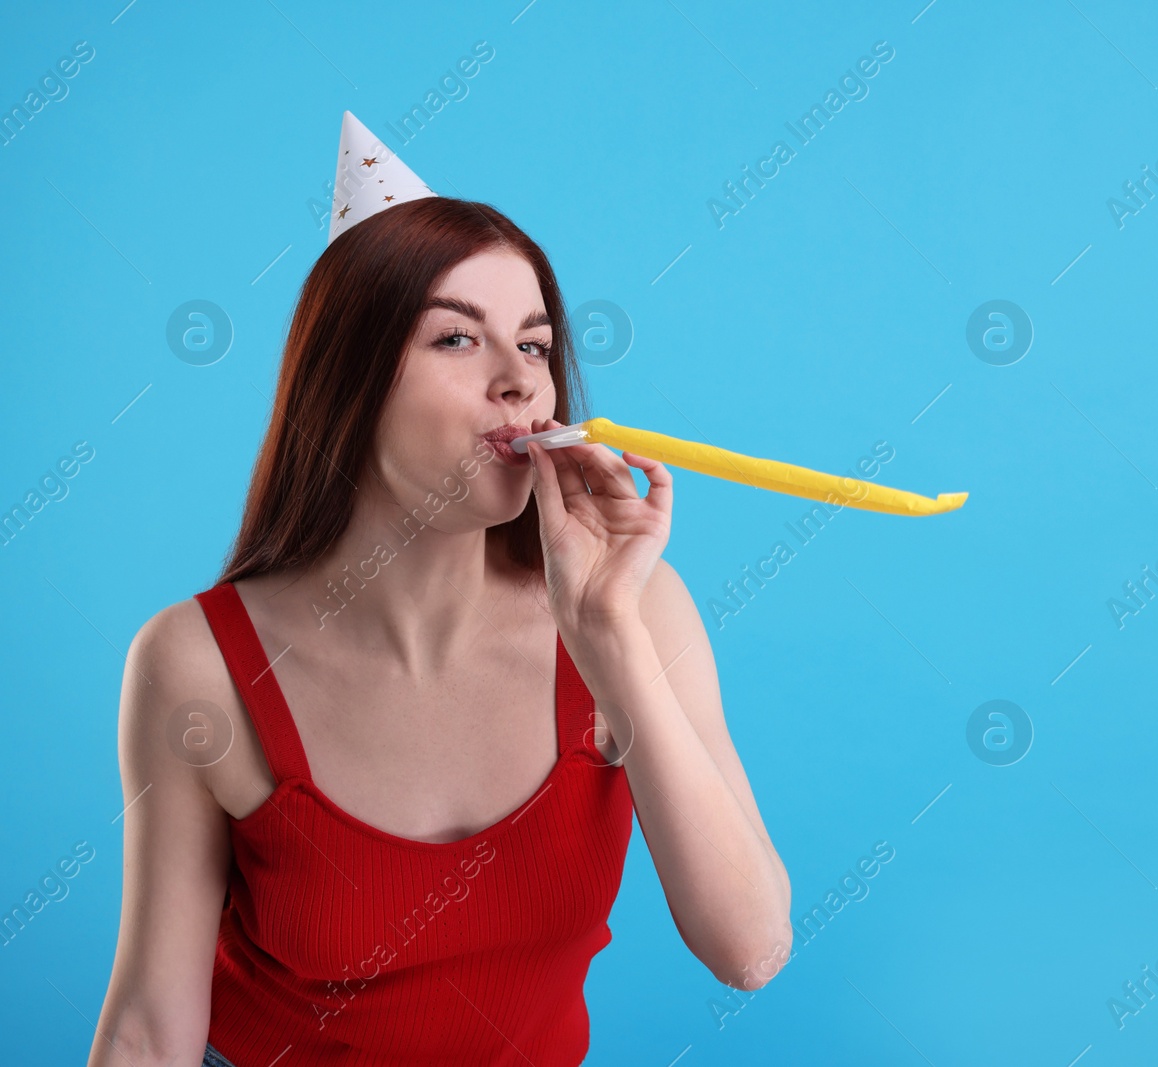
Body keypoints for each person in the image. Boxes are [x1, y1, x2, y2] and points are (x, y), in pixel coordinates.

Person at [88, 193, 791, 1066]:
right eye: (457, 337)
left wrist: (607, 631)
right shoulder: (197, 665)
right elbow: (148, 1033)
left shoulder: (637, 608)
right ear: (347, 376)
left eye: (534, 344)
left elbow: (751, 950)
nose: (520, 379)